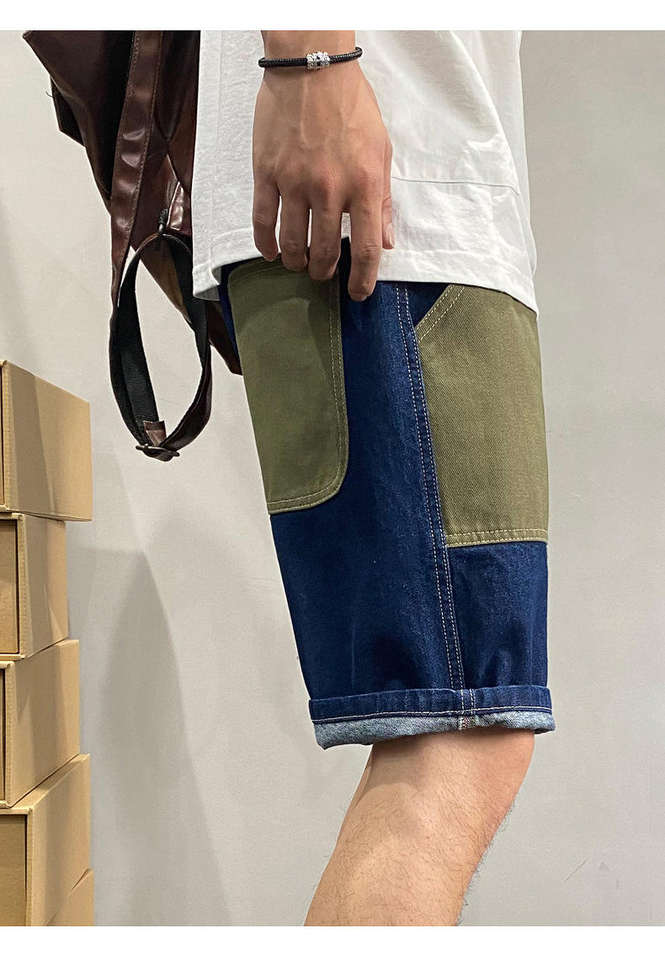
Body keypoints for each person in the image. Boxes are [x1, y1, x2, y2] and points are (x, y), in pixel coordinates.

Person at [192, 30, 553, 925]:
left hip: (416, 204)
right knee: (456, 734)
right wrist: (309, 58)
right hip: (387, 207)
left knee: (455, 728)